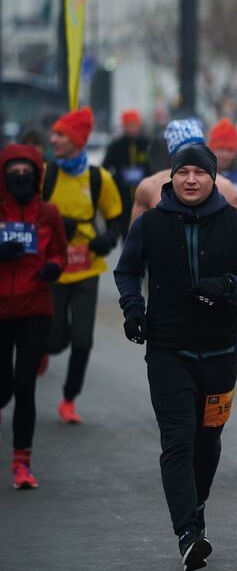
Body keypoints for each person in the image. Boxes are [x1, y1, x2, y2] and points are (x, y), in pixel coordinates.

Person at [114, 141, 237, 571]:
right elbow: (126, 270)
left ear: (213, 178)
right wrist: (133, 308)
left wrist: (227, 288)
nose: (191, 180)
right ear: (172, 176)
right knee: (177, 438)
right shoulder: (150, 224)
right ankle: (187, 531)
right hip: (167, 349)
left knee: (208, 438)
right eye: (183, 173)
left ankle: (196, 503)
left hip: (219, 352)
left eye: (200, 173)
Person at [44, 106, 123, 425]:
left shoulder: (97, 178)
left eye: (61, 134)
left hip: (86, 268)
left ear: (77, 141)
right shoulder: (45, 175)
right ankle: (43, 351)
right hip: (52, 268)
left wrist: (109, 239)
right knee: (53, 340)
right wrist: (55, 224)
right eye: (54, 133)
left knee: (82, 340)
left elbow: (117, 217)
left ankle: (68, 399)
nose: (54, 139)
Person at [0, 144, 67, 488]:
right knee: (3, 388)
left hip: (35, 308)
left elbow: (59, 252)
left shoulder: (48, 213)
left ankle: (21, 462)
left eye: (27, 172)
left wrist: (53, 269)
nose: (21, 177)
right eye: (14, 173)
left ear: (37, 175)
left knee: (25, 384)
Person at [131, 119, 237, 222]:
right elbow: (136, 237)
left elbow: (233, 233)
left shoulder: (226, 188)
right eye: (186, 152)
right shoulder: (149, 188)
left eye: (197, 149)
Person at [102, 109, 150, 235]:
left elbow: (154, 167)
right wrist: (116, 179)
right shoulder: (116, 145)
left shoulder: (146, 144)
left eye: (134, 125)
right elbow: (105, 169)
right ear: (123, 126)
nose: (132, 128)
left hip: (144, 197)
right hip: (122, 198)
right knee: (126, 235)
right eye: (129, 125)